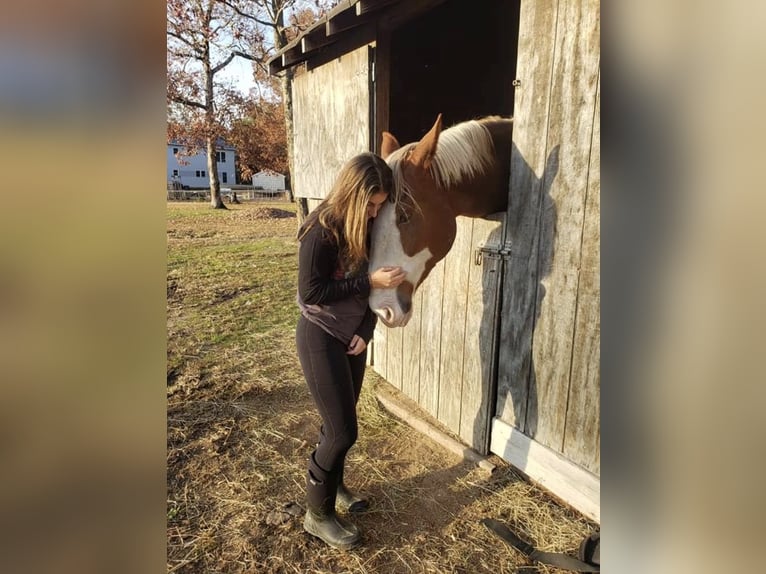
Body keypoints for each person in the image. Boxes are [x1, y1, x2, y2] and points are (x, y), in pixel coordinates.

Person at [296, 152, 407, 550]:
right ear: (353, 194)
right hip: (320, 335)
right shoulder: (321, 231)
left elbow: (375, 288)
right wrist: (367, 281)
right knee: (343, 431)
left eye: (381, 204)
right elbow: (312, 292)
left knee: (336, 423)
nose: (377, 212)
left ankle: (335, 486)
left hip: (351, 338)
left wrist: (366, 328)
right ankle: (317, 514)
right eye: (371, 204)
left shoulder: (367, 227)